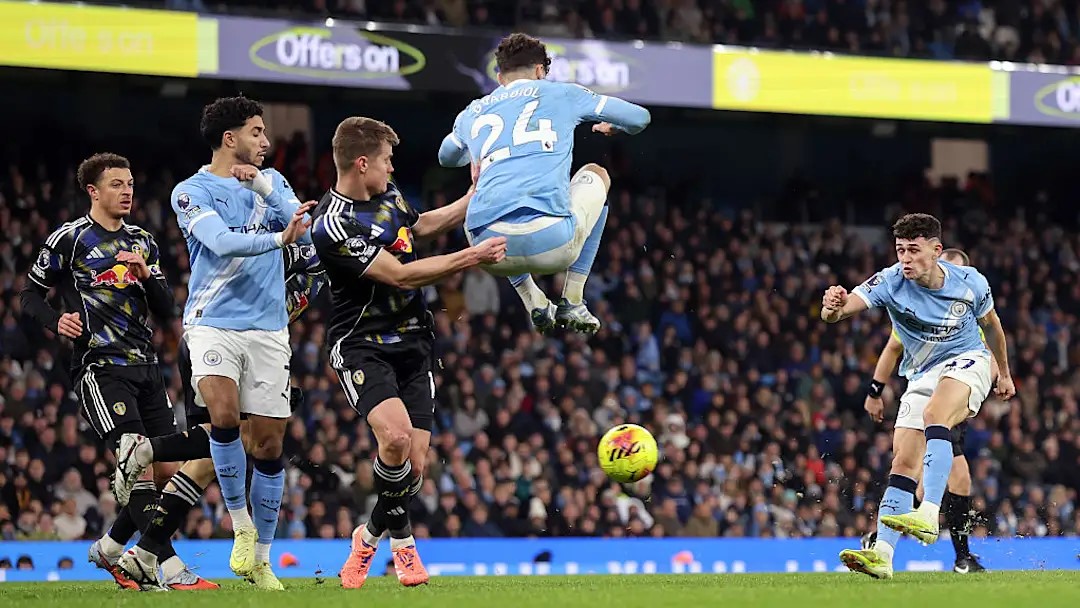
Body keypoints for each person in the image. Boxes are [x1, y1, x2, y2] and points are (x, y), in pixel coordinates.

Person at [311, 116, 505, 589]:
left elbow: (422, 226)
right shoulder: (331, 226)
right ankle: (404, 546)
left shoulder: (392, 196)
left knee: (413, 468)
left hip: (415, 342)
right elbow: (399, 274)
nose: (392, 167)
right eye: (386, 159)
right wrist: (471, 258)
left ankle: (368, 533)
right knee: (395, 439)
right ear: (362, 164)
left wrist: (469, 199)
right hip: (363, 345)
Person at [112, 243, 324, 590]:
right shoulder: (290, 247)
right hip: (218, 343)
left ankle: (139, 551)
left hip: (236, 347)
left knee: (210, 455)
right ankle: (146, 452)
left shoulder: (316, 271)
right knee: (229, 437)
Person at [164, 96, 313, 590]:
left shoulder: (274, 184)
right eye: (256, 132)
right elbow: (222, 242)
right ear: (230, 139)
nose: (266, 141)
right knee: (223, 416)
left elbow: (302, 224)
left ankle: (264, 559)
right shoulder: (191, 191)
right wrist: (278, 239)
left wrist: (269, 190)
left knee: (269, 445)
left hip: (269, 328)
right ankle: (241, 526)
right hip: (213, 322)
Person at [821, 214, 1015, 579]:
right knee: (903, 462)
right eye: (900, 250)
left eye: (913, 250)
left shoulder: (970, 282)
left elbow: (994, 328)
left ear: (936, 250)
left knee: (936, 416)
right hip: (922, 372)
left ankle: (928, 513)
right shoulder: (890, 281)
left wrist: (1003, 373)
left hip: (968, 359)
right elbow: (840, 312)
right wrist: (832, 307)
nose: (905, 258)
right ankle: (882, 554)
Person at [18, 153, 180, 590]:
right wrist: (56, 320)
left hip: (147, 368)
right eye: (116, 184)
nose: (127, 191)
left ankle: (110, 548)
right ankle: (170, 568)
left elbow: (166, 312)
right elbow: (29, 295)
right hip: (100, 367)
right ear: (93, 191)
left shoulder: (144, 240)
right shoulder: (69, 239)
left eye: (129, 183)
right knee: (135, 461)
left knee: (169, 472)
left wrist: (149, 278)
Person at [437, 33, 650, 334]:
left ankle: (533, 298)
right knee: (597, 172)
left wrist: (479, 151)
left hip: (485, 248)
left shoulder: (473, 111)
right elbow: (640, 118)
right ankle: (573, 299)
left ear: (500, 77)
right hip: (552, 243)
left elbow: (446, 157)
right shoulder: (562, 93)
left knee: (502, 196)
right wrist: (615, 127)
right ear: (540, 71)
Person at [861, 248, 989, 574]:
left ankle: (955, 551)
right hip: (926, 392)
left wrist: (999, 374)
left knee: (956, 479)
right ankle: (900, 537)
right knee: (923, 471)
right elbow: (892, 348)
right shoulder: (916, 310)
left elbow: (985, 353)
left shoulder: (970, 316)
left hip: (952, 394)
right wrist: (875, 390)